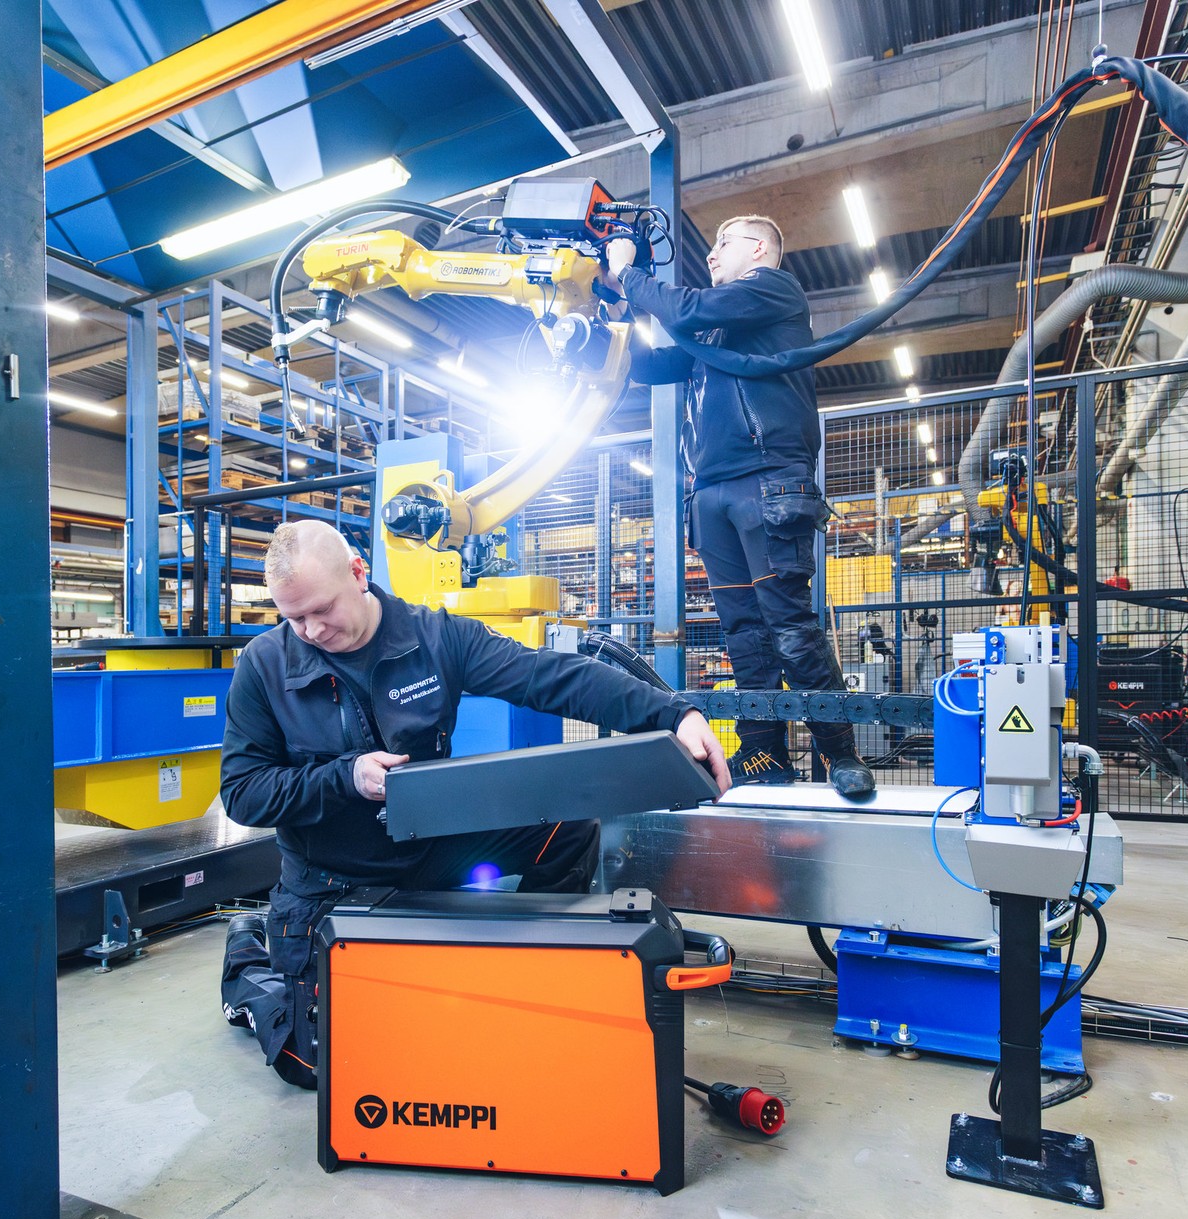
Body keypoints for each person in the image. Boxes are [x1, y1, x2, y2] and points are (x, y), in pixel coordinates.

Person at [218, 519, 731, 1087]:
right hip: (329, 878)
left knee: (567, 829)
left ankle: (528, 972)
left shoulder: (436, 638)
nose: (310, 630)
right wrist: (345, 777)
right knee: (318, 1067)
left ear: (358, 574)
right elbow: (243, 792)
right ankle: (250, 951)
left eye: (320, 610)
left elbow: (551, 677)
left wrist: (674, 713)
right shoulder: (263, 667)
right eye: (293, 618)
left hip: (427, 848)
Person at [602, 215, 875, 801]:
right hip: (714, 493)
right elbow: (650, 366)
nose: (712, 254)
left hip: (768, 480)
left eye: (723, 243)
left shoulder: (773, 290)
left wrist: (629, 273)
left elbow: (691, 310)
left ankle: (839, 752)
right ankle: (762, 755)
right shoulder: (716, 335)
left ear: (757, 249)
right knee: (743, 633)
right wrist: (616, 313)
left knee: (790, 626)